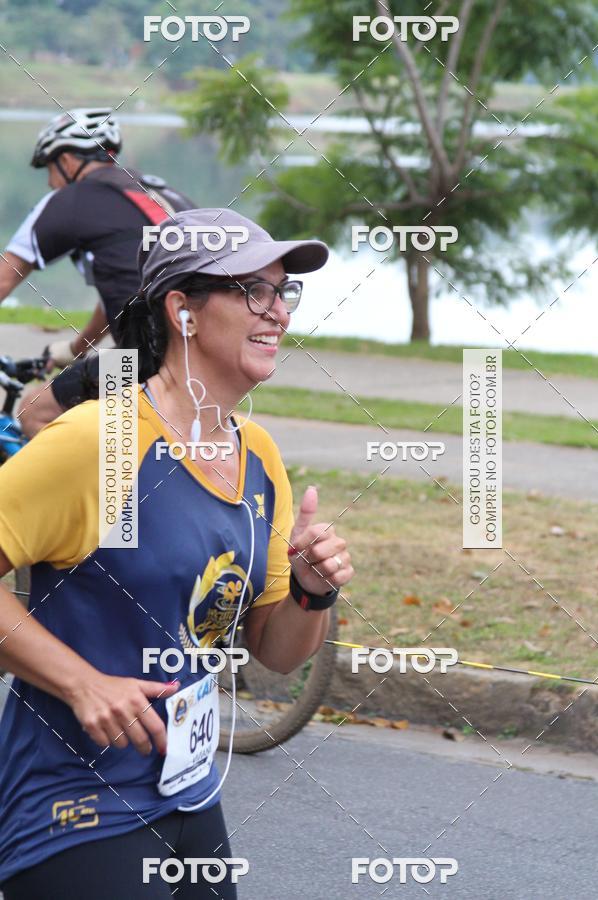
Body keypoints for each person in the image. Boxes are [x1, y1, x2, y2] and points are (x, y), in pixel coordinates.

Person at [0, 208, 354, 899]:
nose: (278, 311)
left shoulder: (258, 456)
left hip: (188, 792)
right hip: (76, 804)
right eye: (252, 290)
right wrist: (81, 683)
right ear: (182, 310)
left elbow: (277, 652)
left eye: (283, 291)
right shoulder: (104, 441)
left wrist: (312, 591)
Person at [0, 107, 194, 436]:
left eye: (50, 168)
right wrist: (75, 348)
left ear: (68, 161)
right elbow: (125, 292)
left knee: (35, 411)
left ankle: (102, 470)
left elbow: (6, 276)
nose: (49, 182)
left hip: (144, 358)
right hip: (203, 352)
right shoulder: (159, 193)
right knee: (118, 436)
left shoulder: (71, 199)